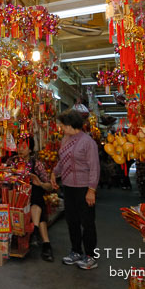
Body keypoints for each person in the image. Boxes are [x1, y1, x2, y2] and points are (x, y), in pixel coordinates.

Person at [51, 109, 100, 270]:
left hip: (84, 188)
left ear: (71, 125)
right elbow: (62, 160)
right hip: (68, 186)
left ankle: (90, 256)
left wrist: (91, 190)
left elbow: (94, 167)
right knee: (72, 221)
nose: (61, 129)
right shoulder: (65, 139)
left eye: (63, 126)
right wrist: (54, 172)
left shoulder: (88, 142)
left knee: (87, 223)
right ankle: (76, 251)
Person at [17, 139, 54, 262]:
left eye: (24, 146)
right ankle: (44, 242)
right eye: (19, 146)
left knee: (36, 199)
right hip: (17, 197)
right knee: (38, 206)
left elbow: (49, 186)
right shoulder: (12, 162)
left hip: (33, 197)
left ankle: (36, 233)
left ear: (31, 150)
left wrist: (39, 183)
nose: (21, 148)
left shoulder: (36, 164)